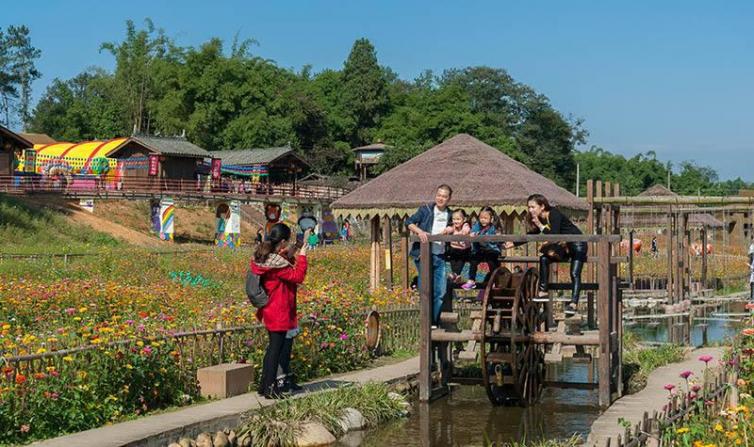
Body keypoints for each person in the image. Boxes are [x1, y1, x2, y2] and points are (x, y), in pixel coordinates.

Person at [251, 223, 309, 398]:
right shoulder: (277, 265)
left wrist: (294, 249)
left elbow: (282, 258)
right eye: (288, 241)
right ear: (282, 241)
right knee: (275, 351)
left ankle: (264, 386)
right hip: (279, 311)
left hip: (271, 309)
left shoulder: (269, 258)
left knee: (272, 350)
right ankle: (271, 389)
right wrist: (303, 256)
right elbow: (297, 276)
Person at [506, 194, 586, 316]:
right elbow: (533, 234)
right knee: (544, 258)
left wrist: (539, 225)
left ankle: (573, 303)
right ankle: (543, 291)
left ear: (542, 206)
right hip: (564, 246)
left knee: (574, 273)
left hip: (577, 244)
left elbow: (553, 235)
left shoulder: (554, 214)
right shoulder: (542, 220)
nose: (530, 210)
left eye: (533, 207)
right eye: (529, 207)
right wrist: (514, 243)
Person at [406, 184, 453, 325]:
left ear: (449, 199)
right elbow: (409, 222)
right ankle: (426, 321)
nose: (441, 198)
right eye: (439, 195)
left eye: (444, 196)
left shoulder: (450, 214)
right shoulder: (425, 210)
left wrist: (451, 229)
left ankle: (433, 321)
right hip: (424, 255)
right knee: (425, 289)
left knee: (440, 291)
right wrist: (419, 232)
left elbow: (462, 225)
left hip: (440, 255)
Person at [467, 207, 502, 289]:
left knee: (492, 263)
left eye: (485, 218)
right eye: (481, 218)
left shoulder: (494, 227)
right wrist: (473, 234)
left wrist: (497, 236)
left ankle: (494, 280)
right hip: (479, 249)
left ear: (491, 218)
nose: (483, 220)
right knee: (473, 260)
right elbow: (472, 232)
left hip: (491, 249)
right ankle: (471, 279)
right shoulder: (477, 225)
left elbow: (498, 237)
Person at [444, 209, 472, 286]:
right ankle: (455, 275)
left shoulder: (465, 225)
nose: (456, 221)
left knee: (460, 260)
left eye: (458, 219)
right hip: (453, 249)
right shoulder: (453, 227)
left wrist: (464, 233)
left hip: (464, 250)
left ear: (464, 219)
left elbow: (466, 230)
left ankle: (456, 275)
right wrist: (446, 231)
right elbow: (449, 229)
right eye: (454, 219)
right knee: (453, 260)